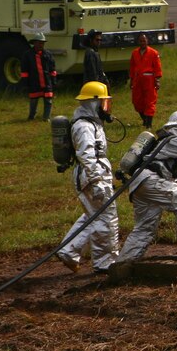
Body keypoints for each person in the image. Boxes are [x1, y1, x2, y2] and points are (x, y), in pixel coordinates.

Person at [116, 110, 177, 262]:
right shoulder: (173, 140)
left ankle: (122, 264)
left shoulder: (168, 143)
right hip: (151, 180)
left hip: (141, 184)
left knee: (144, 228)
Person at [57, 81, 119, 274]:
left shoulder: (92, 123)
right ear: (93, 103)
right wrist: (96, 181)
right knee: (106, 219)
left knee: (93, 215)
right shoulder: (84, 126)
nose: (106, 107)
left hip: (95, 173)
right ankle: (104, 263)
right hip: (91, 176)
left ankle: (69, 251)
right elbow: (86, 155)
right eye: (103, 103)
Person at [20, 32, 57, 121]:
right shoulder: (27, 55)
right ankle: (31, 116)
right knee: (34, 101)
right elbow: (24, 71)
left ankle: (46, 117)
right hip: (34, 83)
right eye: (39, 43)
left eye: (42, 43)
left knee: (48, 100)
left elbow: (53, 70)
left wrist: (53, 82)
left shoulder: (48, 54)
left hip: (47, 82)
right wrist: (25, 83)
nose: (41, 45)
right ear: (34, 43)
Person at [129, 33, 162, 129]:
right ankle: (145, 119)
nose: (142, 42)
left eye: (144, 40)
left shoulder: (154, 53)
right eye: (141, 41)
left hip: (149, 80)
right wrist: (131, 80)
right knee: (137, 101)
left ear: (147, 41)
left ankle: (149, 124)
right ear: (138, 42)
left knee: (150, 101)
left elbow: (157, 67)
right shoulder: (134, 53)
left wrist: (157, 80)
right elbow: (132, 67)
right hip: (137, 80)